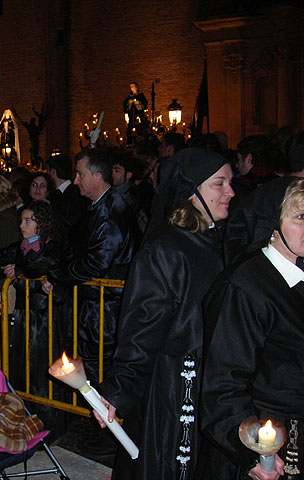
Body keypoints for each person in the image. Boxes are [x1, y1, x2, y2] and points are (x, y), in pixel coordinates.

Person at [94, 148, 235, 480]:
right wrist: (119, 389)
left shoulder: (216, 242)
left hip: (211, 383)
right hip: (177, 385)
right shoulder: (166, 250)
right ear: (191, 192)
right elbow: (141, 326)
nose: (230, 192)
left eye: (230, 182)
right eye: (219, 184)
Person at [196, 176, 304, 480]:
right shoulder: (244, 287)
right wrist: (253, 451)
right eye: (300, 216)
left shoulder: (297, 272)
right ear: (272, 221)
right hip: (266, 441)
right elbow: (223, 384)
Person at [0, 200, 69, 428]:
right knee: (22, 366)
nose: (22, 225)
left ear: (41, 224)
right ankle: (26, 418)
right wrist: (7, 266)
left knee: (44, 369)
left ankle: (49, 421)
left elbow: (55, 264)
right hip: (23, 316)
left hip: (44, 318)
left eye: (28, 221)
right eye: (22, 220)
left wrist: (21, 269)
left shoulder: (52, 246)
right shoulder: (19, 248)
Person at [62, 148, 139, 385]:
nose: (75, 181)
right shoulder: (101, 207)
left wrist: (59, 275)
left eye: (80, 175)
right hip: (99, 308)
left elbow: (98, 261)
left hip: (106, 311)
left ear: (97, 177)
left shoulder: (110, 210)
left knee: (100, 372)